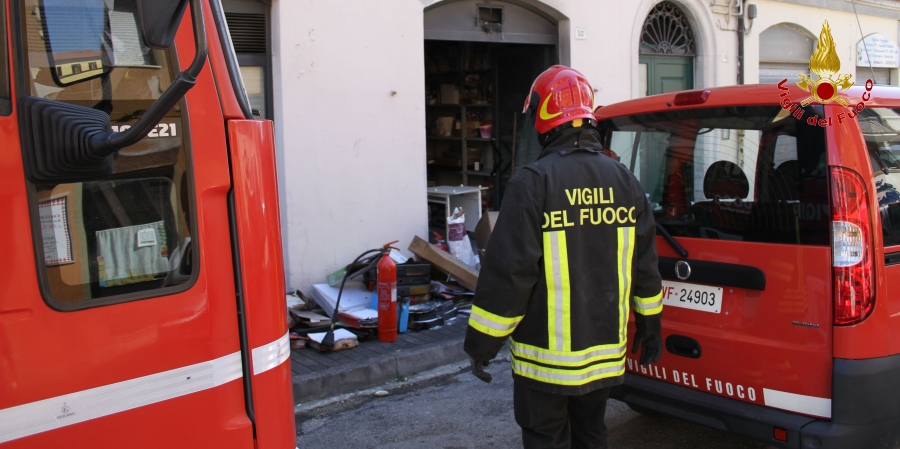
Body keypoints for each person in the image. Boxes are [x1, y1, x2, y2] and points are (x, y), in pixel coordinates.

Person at [464, 65, 664, 449]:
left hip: (545, 362)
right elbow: (645, 266)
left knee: (546, 439)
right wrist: (651, 324)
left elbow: (509, 275)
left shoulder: (533, 182)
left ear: (542, 116)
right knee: (591, 435)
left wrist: (481, 344)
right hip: (603, 356)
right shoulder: (625, 181)